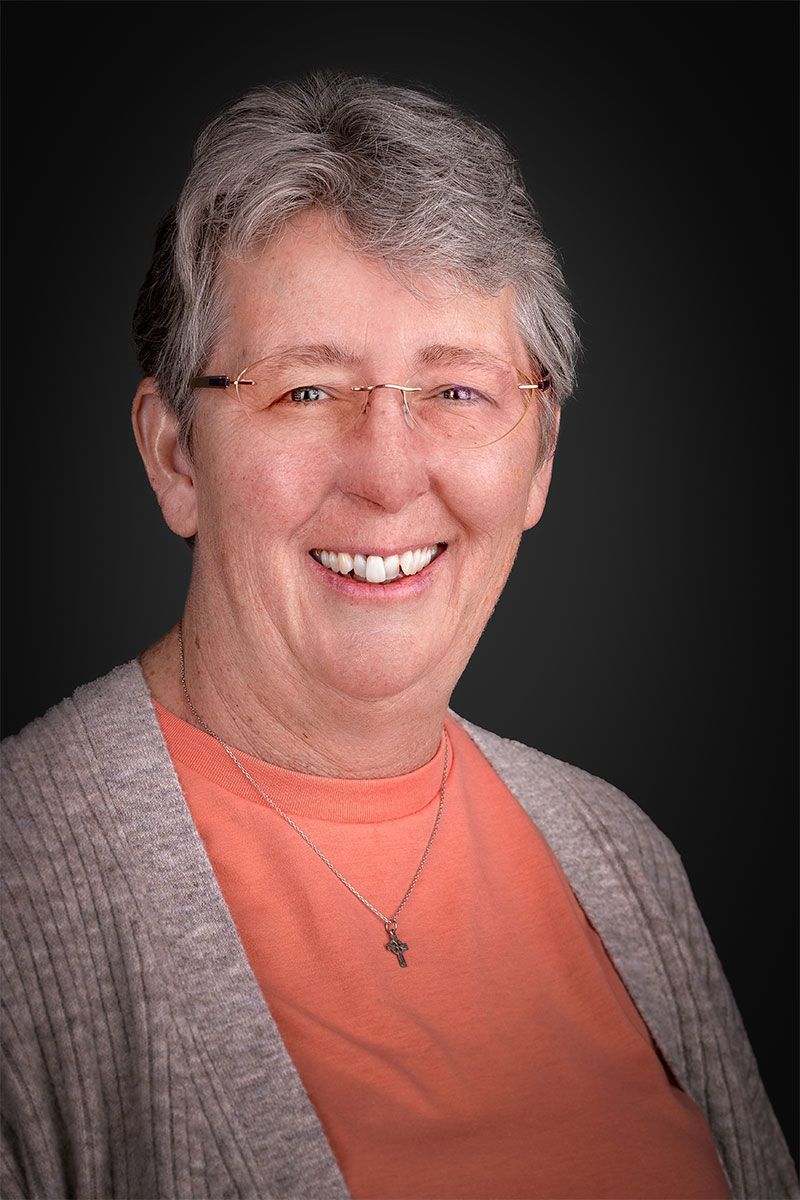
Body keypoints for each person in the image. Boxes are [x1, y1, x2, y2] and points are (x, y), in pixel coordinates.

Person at [1, 71, 796, 1200]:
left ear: (540, 458)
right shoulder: (23, 886)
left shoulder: (622, 860)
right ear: (176, 456)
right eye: (306, 391)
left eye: (457, 392)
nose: (386, 474)